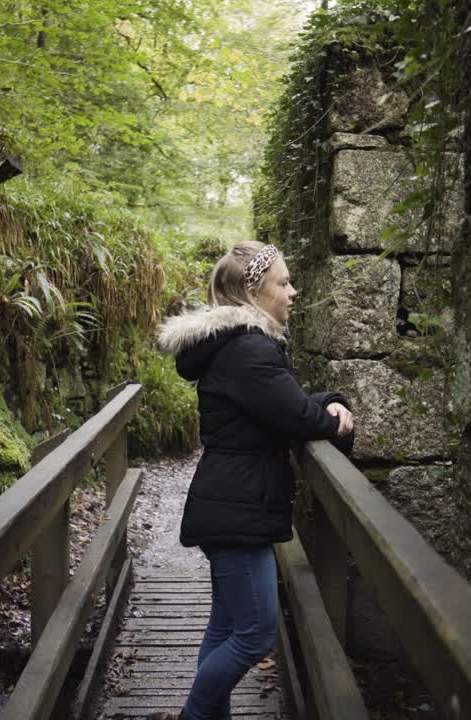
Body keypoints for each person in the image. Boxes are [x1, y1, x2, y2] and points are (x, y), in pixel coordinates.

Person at [150, 240, 355, 720]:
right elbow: (298, 415)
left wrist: (325, 400)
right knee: (256, 634)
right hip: (238, 508)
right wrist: (335, 417)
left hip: (233, 501)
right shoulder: (249, 349)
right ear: (253, 292)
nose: (293, 291)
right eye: (283, 282)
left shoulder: (239, 346)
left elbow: (280, 402)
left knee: (226, 628)